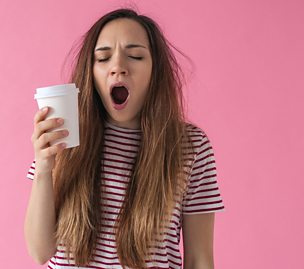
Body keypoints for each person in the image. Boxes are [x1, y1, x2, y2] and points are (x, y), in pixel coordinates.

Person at [24, 8, 225, 269]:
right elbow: (39, 252)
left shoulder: (189, 146)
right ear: (91, 72)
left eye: (135, 56)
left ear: (155, 70)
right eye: (103, 58)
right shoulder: (66, 134)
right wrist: (44, 167)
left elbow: (199, 259)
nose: (118, 67)